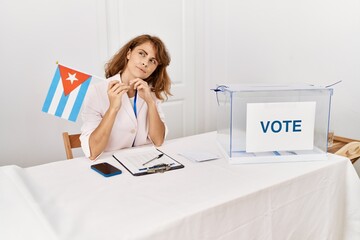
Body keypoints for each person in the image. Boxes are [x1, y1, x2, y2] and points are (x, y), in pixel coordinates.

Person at [80, 34, 171, 160]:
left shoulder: (151, 92)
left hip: (145, 161)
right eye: (142, 54)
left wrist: (150, 103)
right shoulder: (96, 91)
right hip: (110, 164)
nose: (145, 63)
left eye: (152, 61)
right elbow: (93, 152)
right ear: (129, 54)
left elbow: (158, 140)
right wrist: (113, 109)